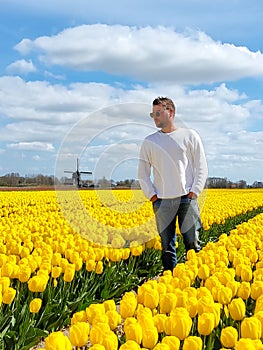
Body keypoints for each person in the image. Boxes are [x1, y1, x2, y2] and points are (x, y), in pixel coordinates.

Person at [138, 96, 208, 271]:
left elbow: (201, 165)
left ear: (171, 112)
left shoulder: (190, 136)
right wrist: (152, 195)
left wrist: (195, 192)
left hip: (186, 198)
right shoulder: (149, 142)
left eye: (158, 113)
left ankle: (195, 279)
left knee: (193, 242)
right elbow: (143, 173)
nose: (155, 117)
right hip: (162, 200)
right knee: (167, 246)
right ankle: (171, 282)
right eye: (153, 114)